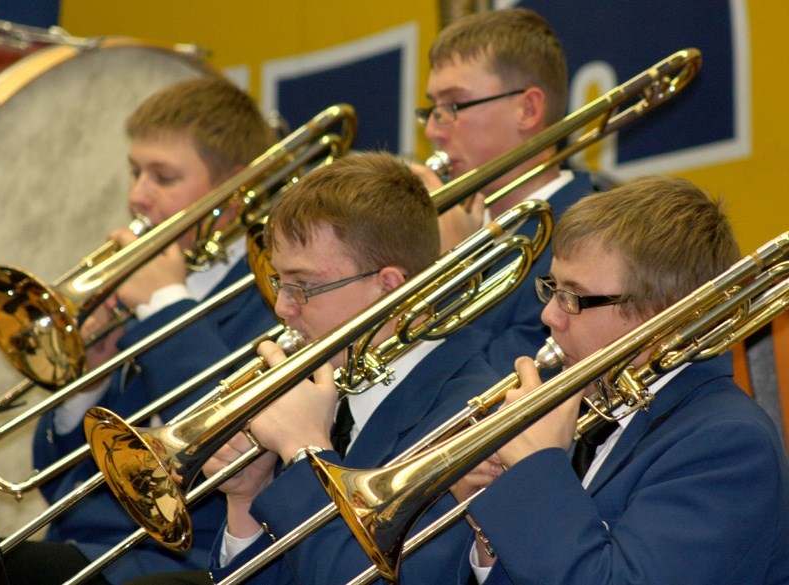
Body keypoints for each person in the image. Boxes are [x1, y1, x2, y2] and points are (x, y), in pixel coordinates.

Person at [162, 151, 499, 585]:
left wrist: (305, 453)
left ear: (388, 287)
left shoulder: (470, 413)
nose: (283, 308)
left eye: (304, 286)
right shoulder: (329, 383)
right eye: (279, 282)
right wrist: (248, 499)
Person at [4, 76, 280, 585]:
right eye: (135, 172)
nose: (137, 196)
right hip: (83, 548)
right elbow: (57, 481)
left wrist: (164, 304)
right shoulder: (142, 288)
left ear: (235, 193)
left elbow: (228, 443)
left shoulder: (273, 299)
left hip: (178, 562)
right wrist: (87, 381)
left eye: (164, 177)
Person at [456, 176, 789, 584]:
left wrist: (535, 470)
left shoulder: (726, 443)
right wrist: (490, 530)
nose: (549, 317)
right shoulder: (591, 412)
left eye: (573, 297)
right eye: (552, 289)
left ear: (660, 314)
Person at [412, 7, 601, 371]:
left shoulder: (590, 245)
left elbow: (504, 390)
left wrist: (451, 271)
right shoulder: (448, 229)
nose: (432, 131)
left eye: (453, 105)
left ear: (528, 110)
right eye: (431, 109)